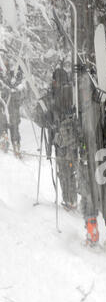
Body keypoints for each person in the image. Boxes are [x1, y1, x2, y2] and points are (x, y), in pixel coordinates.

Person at [34, 66, 78, 211]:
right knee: (71, 171)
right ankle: (72, 199)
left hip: (62, 142)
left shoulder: (52, 96)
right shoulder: (73, 94)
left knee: (66, 172)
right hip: (73, 141)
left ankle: (69, 200)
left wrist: (46, 119)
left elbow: (38, 117)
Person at [0, 59, 24, 157]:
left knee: (12, 126)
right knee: (7, 125)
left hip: (10, 105)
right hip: (5, 105)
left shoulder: (13, 76)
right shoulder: (6, 77)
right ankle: (6, 140)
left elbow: (20, 87)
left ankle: (14, 145)